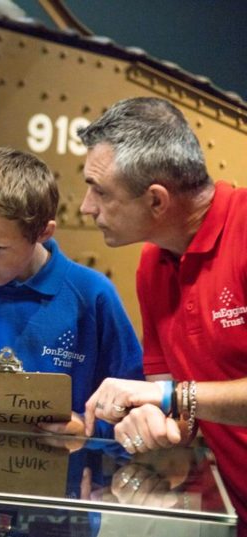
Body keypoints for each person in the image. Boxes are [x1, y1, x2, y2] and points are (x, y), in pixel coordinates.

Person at [77, 97, 247, 532]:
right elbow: (175, 406)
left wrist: (168, 399)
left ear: (156, 200)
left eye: (100, 191)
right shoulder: (153, 264)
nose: (86, 207)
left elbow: (174, 394)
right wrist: (150, 420)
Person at [0, 147, 143, 437]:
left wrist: (86, 428)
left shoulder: (93, 296)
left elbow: (134, 407)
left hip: (66, 474)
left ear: (44, 232)